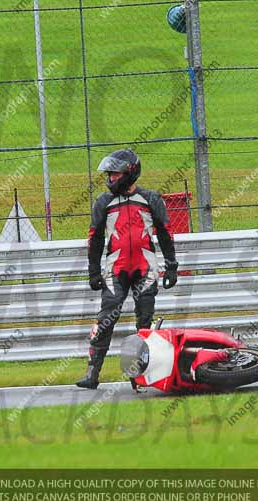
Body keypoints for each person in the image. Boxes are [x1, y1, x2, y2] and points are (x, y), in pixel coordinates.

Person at [76, 149, 179, 390]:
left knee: (144, 324)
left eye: (114, 174)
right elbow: (95, 238)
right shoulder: (103, 202)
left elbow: (165, 233)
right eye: (109, 174)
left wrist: (172, 266)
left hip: (146, 268)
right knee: (105, 320)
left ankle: (140, 375)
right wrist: (93, 271)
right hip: (116, 269)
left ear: (129, 173)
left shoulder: (151, 198)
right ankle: (92, 373)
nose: (110, 178)